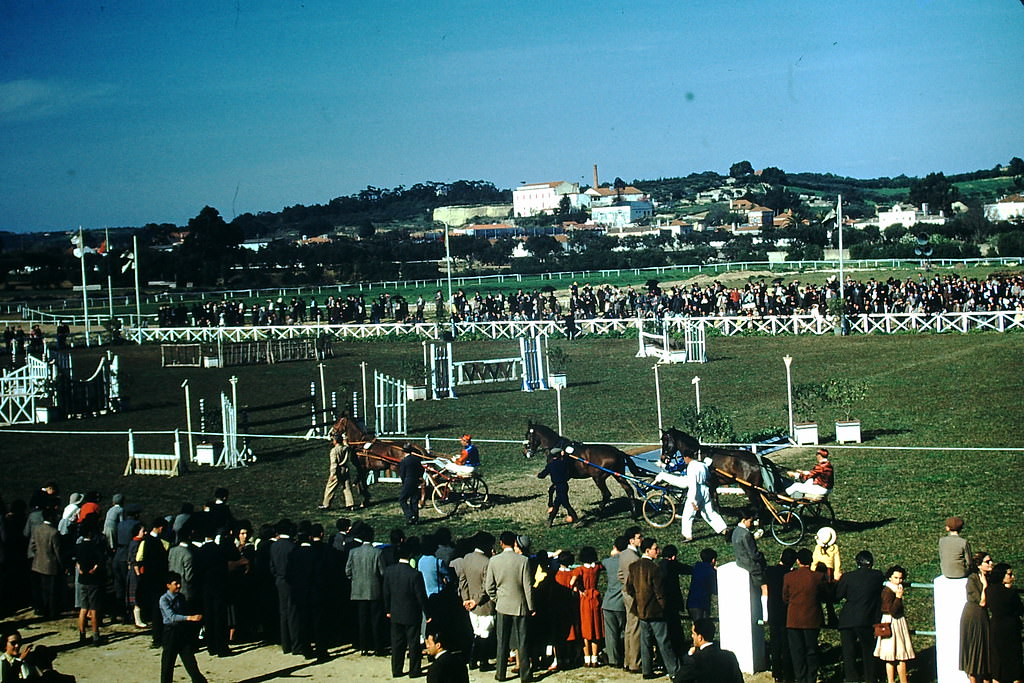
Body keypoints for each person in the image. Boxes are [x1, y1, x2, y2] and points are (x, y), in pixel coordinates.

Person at [623, 537, 680, 681]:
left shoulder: (634, 566)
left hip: (641, 610)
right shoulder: (654, 568)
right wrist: (663, 606)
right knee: (663, 642)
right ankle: (673, 670)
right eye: (655, 549)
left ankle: (647, 670)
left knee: (645, 642)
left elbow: (629, 588)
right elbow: (659, 592)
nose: (658, 551)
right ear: (648, 550)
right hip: (655, 610)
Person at [484, 531, 534, 683]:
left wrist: (497, 599)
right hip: (520, 605)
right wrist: (531, 606)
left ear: (501, 543)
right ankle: (525, 675)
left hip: (502, 605)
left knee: (502, 641)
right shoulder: (523, 560)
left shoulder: (494, 561)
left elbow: (489, 586)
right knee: (523, 642)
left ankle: (501, 673)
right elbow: (527, 586)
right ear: (514, 543)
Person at [836, 549, 884, 683]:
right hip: (866, 619)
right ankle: (870, 678)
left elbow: (838, 595)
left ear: (857, 562)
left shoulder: (847, 577)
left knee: (848, 653)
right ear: (871, 563)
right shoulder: (877, 576)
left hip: (847, 619)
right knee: (868, 651)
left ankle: (852, 679)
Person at [383, 541, 429, 678]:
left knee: (397, 642)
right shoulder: (415, 574)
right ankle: (414, 670)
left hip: (395, 611)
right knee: (413, 643)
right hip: (412, 613)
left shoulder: (389, 571)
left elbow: (386, 593)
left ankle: (396, 670)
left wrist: (388, 609)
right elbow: (421, 597)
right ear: (410, 555)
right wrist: (428, 613)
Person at [783, 548, 827, 683]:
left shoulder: (789, 577)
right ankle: (811, 678)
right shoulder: (818, 577)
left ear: (798, 561)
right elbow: (824, 595)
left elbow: (785, 597)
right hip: (812, 619)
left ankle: (800, 678)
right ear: (811, 560)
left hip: (793, 619)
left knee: (797, 652)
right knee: (811, 651)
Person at [456, 531, 495, 671]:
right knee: (485, 633)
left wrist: (466, 599)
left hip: (470, 603)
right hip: (484, 604)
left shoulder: (467, 558)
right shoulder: (487, 562)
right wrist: (476, 600)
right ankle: (483, 662)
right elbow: (487, 586)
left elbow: (462, 580)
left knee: (477, 632)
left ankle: (473, 660)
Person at [159, 572, 207, 683]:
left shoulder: (181, 597)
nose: (179, 586)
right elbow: (172, 617)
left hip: (182, 631)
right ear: (168, 585)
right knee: (168, 663)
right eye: (175, 584)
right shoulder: (164, 599)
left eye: (179, 583)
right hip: (170, 632)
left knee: (190, 661)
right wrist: (190, 618)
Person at [873, 565, 915, 683]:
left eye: (900, 578)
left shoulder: (895, 588)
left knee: (898, 655)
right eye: (895, 578)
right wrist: (898, 598)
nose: (898, 581)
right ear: (890, 578)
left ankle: (900, 680)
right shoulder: (888, 591)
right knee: (892, 655)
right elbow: (892, 610)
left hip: (897, 621)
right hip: (891, 622)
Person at [679, 449, 728, 542]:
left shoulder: (691, 467)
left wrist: (693, 500)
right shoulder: (702, 465)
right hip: (705, 489)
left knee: (687, 514)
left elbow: (693, 484)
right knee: (709, 512)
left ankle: (687, 535)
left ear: (686, 457)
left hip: (696, 491)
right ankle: (723, 529)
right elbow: (708, 476)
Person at [676, 618, 744, 683]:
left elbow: (679, 679)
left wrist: (689, 655)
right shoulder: (730, 656)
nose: (692, 636)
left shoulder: (696, 659)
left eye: (693, 634)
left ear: (700, 637)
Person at [961, 551, 994, 683]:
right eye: (987, 562)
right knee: (973, 650)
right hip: (973, 616)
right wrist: (985, 586)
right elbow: (982, 602)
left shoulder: (989, 577)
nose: (991, 563)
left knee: (986, 652)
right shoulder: (973, 579)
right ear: (979, 565)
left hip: (983, 616)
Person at [987, 563, 1022, 683]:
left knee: (997, 661)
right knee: (1014, 662)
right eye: (1010, 574)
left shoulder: (989, 590)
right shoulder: (1011, 594)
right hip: (1011, 629)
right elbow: (1019, 609)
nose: (1012, 577)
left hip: (996, 628)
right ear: (1002, 576)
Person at [766, 548, 797, 683]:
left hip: (773, 611)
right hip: (786, 612)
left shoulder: (770, 571)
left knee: (775, 643)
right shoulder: (791, 575)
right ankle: (788, 673)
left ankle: (777, 673)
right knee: (786, 644)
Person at [618, 526, 644, 674]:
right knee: (635, 628)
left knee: (629, 627)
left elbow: (620, 575)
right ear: (631, 540)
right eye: (639, 537)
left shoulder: (623, 555)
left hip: (626, 593)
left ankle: (627, 661)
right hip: (633, 594)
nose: (641, 540)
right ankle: (635, 662)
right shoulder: (635, 558)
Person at [602, 536, 628, 670]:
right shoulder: (627, 561)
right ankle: (625, 655)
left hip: (608, 602)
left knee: (611, 633)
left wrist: (612, 554)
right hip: (621, 602)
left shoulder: (608, 562)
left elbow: (603, 562)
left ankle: (613, 659)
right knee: (624, 630)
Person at [576, 545, 604, 668]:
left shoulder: (580, 569)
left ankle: (587, 658)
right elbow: (601, 565)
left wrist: (580, 589)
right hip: (595, 597)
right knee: (596, 628)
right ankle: (595, 658)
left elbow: (573, 581)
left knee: (586, 629)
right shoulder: (597, 568)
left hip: (585, 599)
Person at [537, 447, 579, 526]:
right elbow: (570, 463)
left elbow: (542, 475)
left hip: (557, 486)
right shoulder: (564, 463)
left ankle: (576, 520)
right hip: (564, 485)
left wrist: (539, 475)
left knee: (564, 504)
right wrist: (566, 455)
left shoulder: (550, 465)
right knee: (559, 503)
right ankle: (550, 521)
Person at [318, 435, 356, 511]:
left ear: (335, 441)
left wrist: (332, 474)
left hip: (338, 470)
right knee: (347, 487)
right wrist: (345, 441)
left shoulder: (334, 451)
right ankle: (350, 504)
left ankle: (326, 504)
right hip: (345, 469)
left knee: (330, 488)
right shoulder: (345, 448)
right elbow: (347, 446)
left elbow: (334, 463)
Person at [398, 444, 423, 525]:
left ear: (404, 452)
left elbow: (402, 474)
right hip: (416, 480)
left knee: (402, 499)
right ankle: (416, 518)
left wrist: (403, 482)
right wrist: (419, 477)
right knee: (414, 499)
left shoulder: (404, 461)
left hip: (408, 481)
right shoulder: (416, 459)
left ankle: (410, 515)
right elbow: (421, 469)